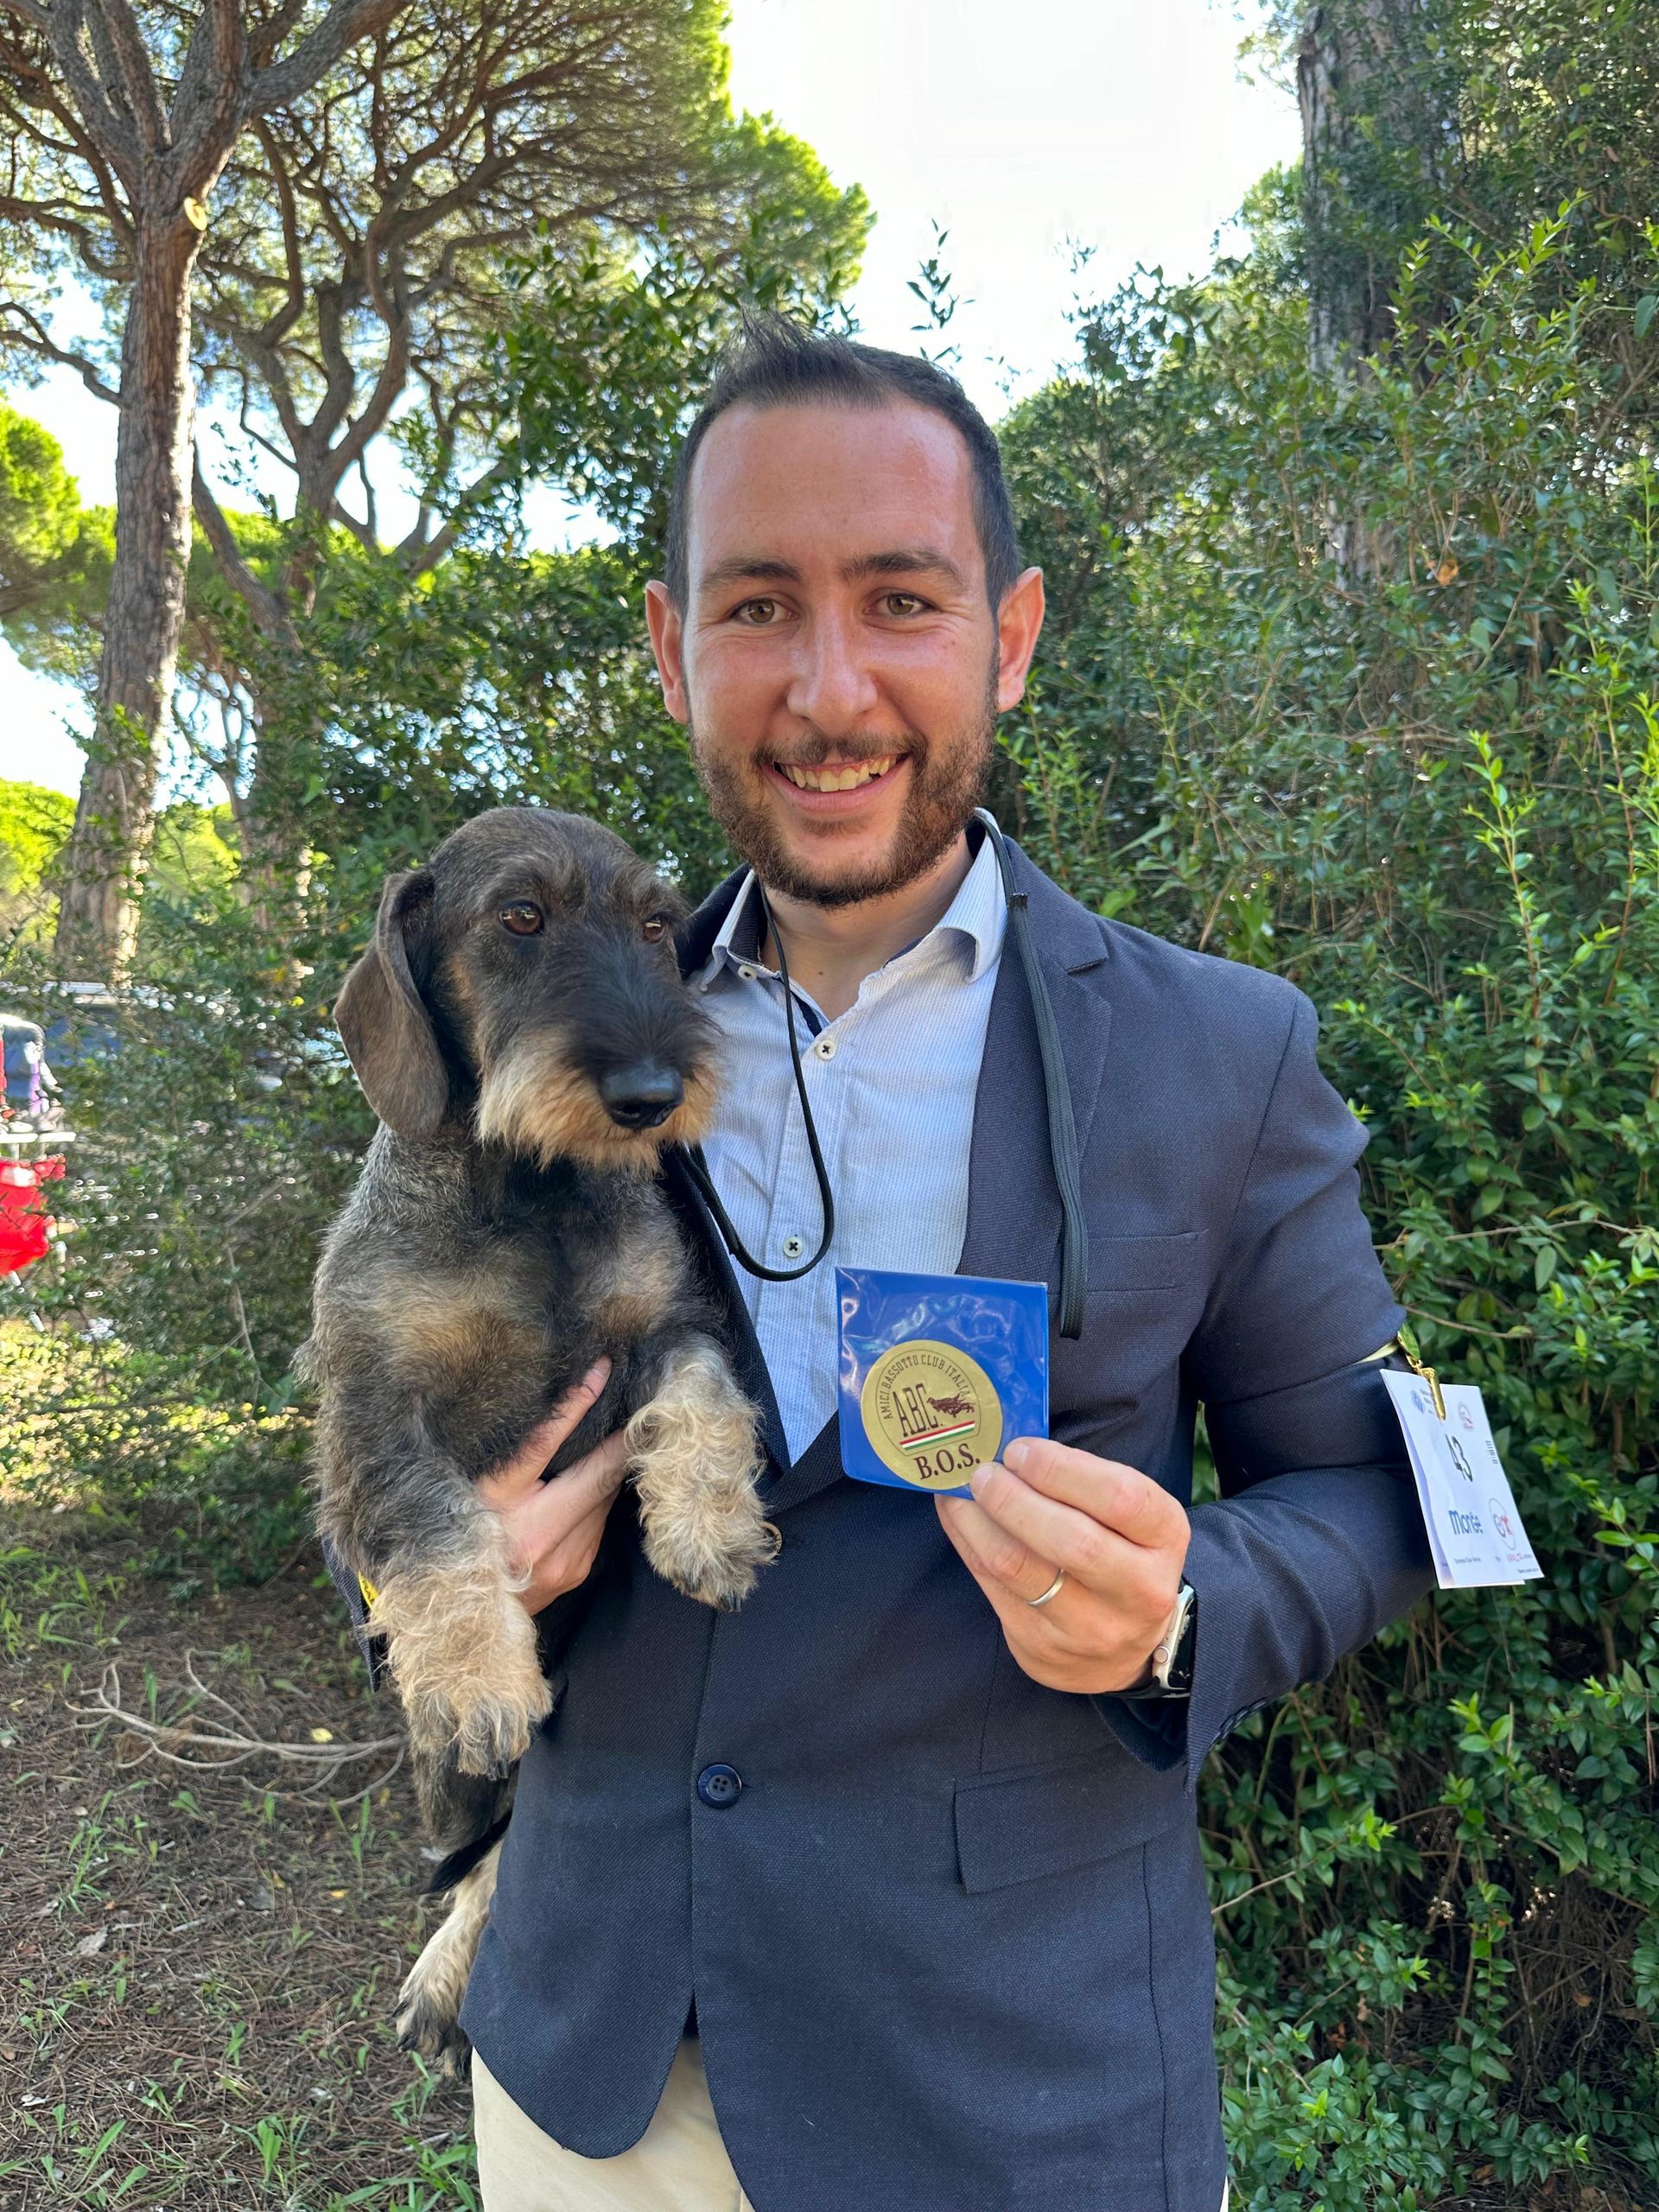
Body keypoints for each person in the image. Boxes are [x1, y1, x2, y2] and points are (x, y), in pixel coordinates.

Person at [330, 315, 1436, 2211]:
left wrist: (1182, 1608)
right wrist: (423, 1571)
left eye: (902, 600)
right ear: (674, 648)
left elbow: (1381, 1493)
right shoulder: (537, 1052)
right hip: (595, 2085)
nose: (829, 689)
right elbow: (388, 1430)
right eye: (759, 605)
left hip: (1014, 2094)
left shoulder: (1223, 1055)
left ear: (1009, 633)